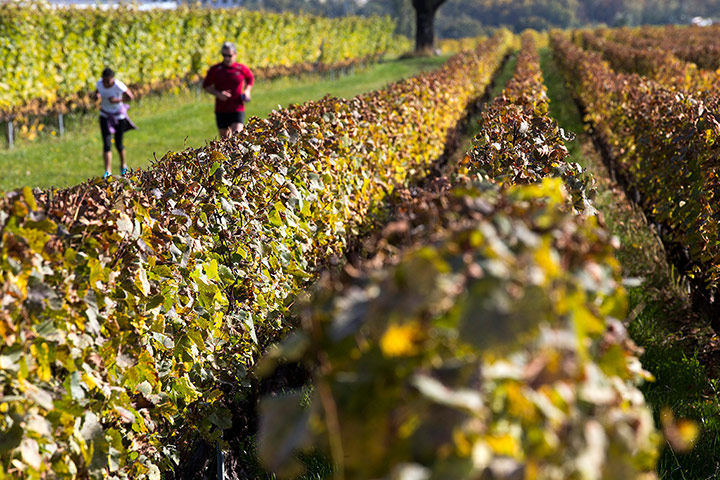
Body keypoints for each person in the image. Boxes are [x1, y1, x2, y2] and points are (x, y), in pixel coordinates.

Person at [202, 42, 254, 138]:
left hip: (237, 108)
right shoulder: (216, 69)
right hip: (221, 110)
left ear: (235, 55)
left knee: (236, 138)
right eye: (224, 55)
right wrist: (218, 94)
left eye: (229, 56)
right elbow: (206, 85)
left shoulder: (241, 68)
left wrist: (247, 91)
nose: (226, 58)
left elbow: (250, 78)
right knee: (225, 141)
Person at [94, 68, 137, 178]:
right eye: (104, 81)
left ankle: (123, 166)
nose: (106, 83)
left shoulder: (119, 85)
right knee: (107, 144)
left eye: (108, 81)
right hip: (105, 116)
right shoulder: (99, 83)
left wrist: (117, 100)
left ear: (112, 79)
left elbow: (130, 97)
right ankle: (107, 171)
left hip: (119, 116)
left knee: (118, 143)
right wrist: (97, 96)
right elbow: (97, 92)